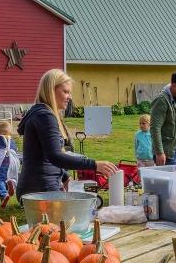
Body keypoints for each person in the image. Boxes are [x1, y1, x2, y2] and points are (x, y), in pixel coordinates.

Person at [16, 69, 117, 201]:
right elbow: (55, 156)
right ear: (51, 90)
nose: (69, 97)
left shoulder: (41, 114)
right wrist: (95, 165)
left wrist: (64, 176)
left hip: (39, 188)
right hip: (41, 190)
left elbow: (43, 156)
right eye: (66, 91)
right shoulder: (45, 116)